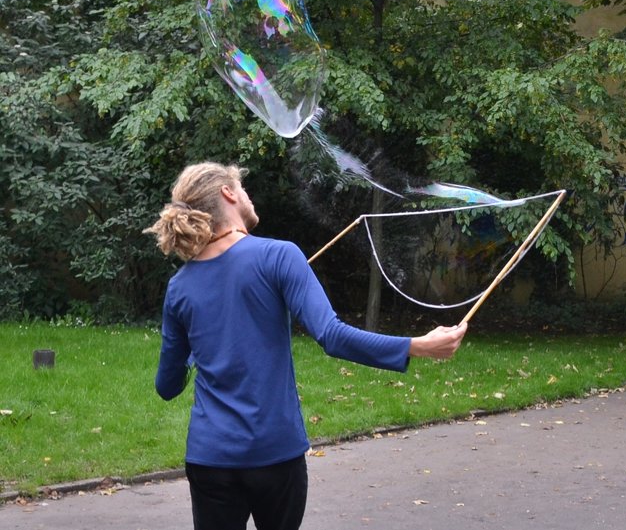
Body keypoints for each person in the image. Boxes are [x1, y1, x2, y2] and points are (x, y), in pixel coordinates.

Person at [145, 162, 467, 530]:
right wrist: (417, 345)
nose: (248, 196)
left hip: (210, 459)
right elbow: (331, 335)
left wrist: (192, 349)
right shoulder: (278, 256)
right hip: (275, 456)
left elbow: (167, 387)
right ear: (228, 194)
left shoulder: (180, 286)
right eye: (243, 188)